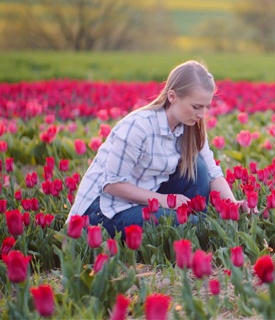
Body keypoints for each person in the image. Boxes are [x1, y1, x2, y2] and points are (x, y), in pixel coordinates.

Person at [66, 60, 245, 238]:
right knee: (186, 225)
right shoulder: (138, 127)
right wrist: (167, 201)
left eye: (206, 106)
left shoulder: (191, 128)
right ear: (172, 96)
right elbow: (111, 185)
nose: (202, 114)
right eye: (196, 106)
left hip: (143, 198)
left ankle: (192, 229)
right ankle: (190, 230)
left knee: (198, 167)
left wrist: (233, 204)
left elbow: (213, 173)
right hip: (103, 210)